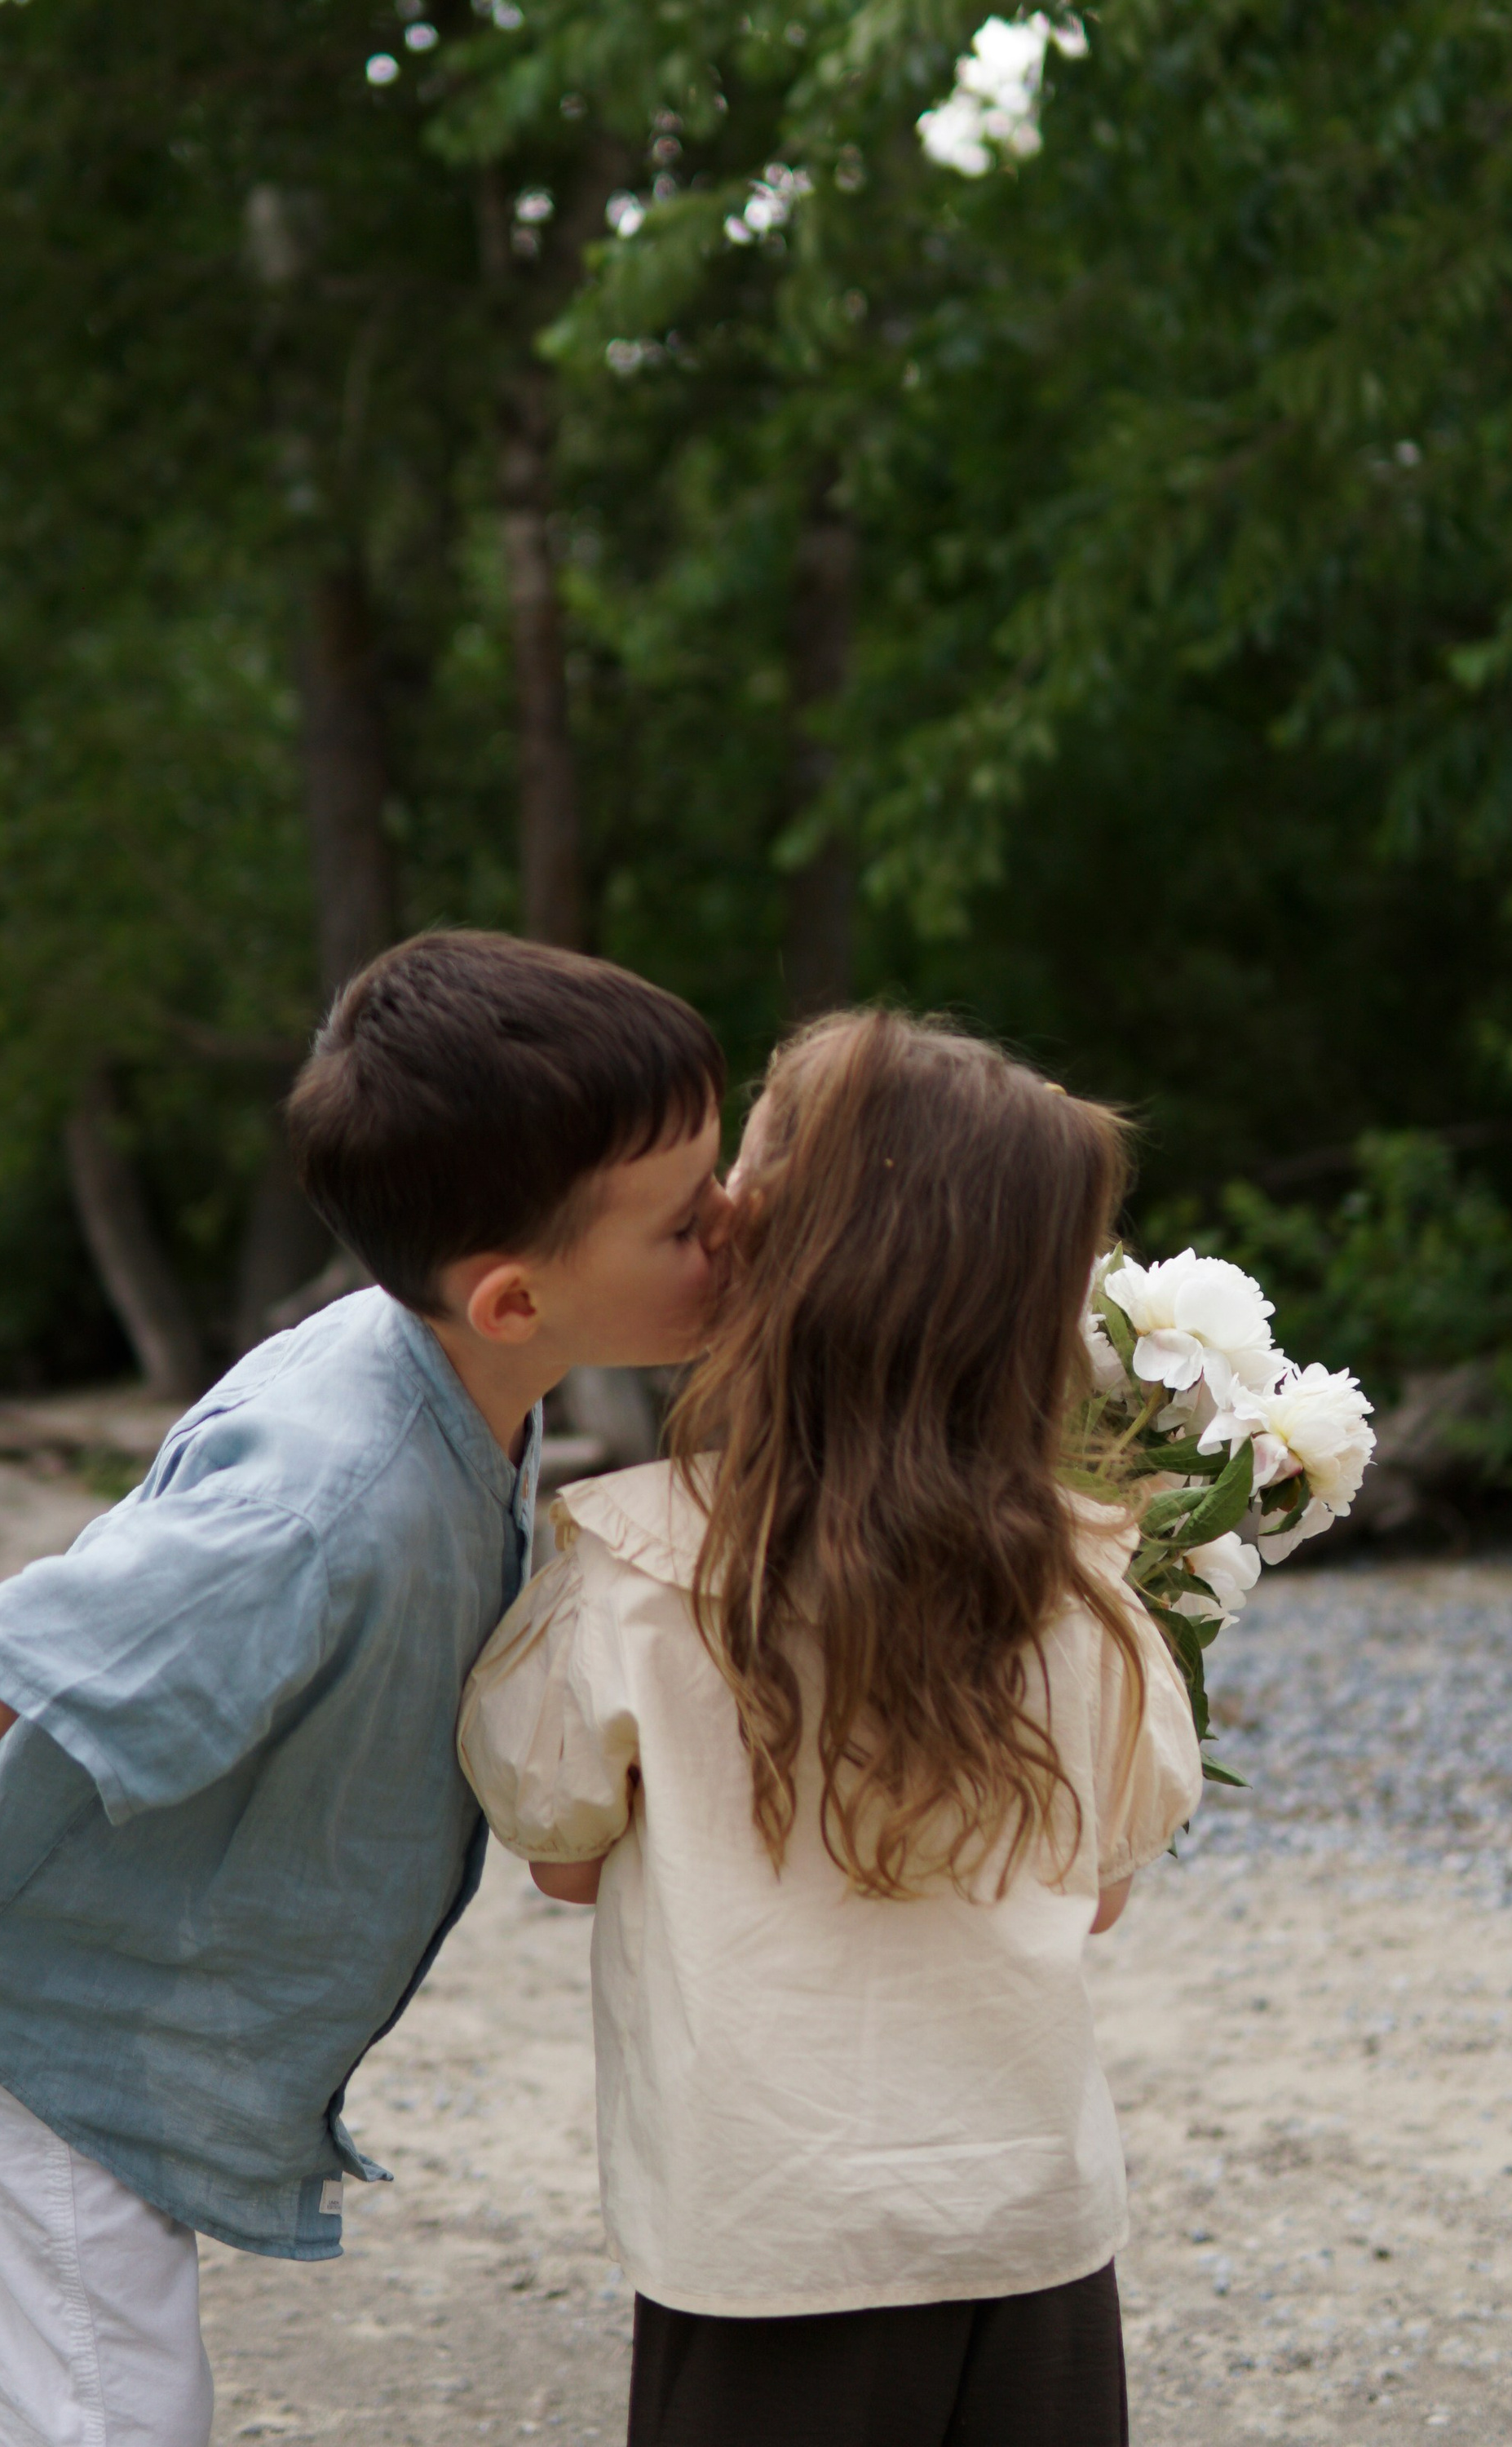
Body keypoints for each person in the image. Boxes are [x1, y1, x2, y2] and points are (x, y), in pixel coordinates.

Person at [0, 929, 731, 2447]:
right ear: (511, 1301)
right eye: (692, 1221)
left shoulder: (464, 1360)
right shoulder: (322, 1500)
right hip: (70, 2023)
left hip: (73, 1901)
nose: (738, 1228)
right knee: (104, 2415)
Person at [460, 1008, 1203, 2447]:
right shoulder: (1089, 1584)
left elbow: (558, 1853)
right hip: (1029, 2234)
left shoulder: (636, 1571)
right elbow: (1097, 1892)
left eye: (744, 1169)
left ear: (787, 1256)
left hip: (765, 2237)